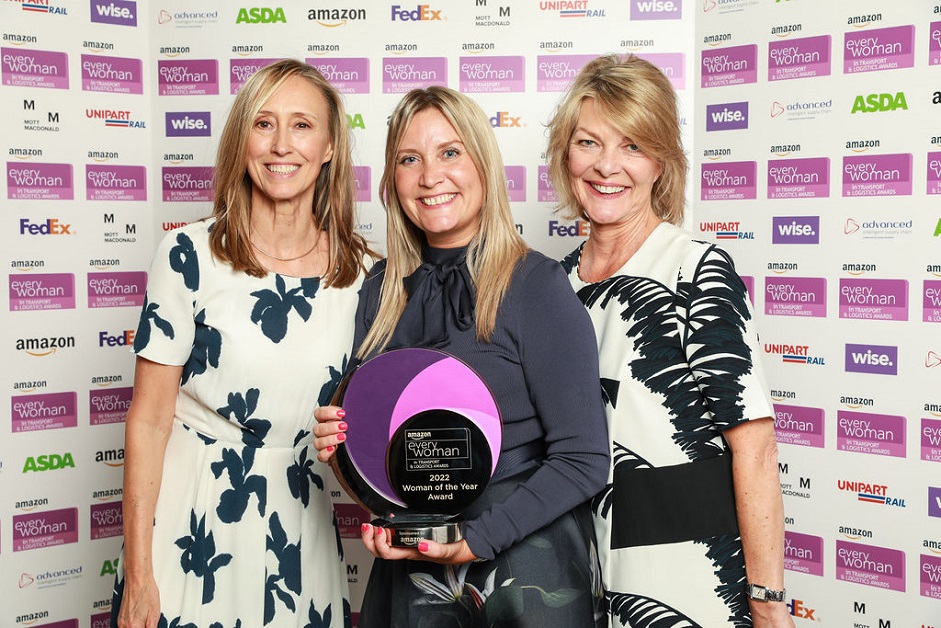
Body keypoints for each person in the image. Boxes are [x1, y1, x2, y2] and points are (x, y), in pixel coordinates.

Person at [313, 86, 610, 627]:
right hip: (415, 579)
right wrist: (349, 462)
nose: (430, 176)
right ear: (391, 179)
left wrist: (474, 540)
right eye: (410, 159)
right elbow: (390, 463)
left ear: (484, 166)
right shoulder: (380, 290)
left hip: (524, 578)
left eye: (450, 152)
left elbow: (583, 459)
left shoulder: (534, 285)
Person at [112, 59, 374, 628]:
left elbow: (377, 424)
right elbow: (149, 420)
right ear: (242, 140)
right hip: (192, 523)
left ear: (330, 146)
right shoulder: (188, 256)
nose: (282, 144)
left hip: (299, 525)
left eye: (302, 125)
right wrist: (137, 575)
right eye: (263, 123)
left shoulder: (364, 276)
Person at [545, 54, 795, 627]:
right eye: (589, 143)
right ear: (566, 154)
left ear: (662, 161)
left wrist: (767, 603)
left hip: (684, 580)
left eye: (633, 145)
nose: (607, 166)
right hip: (571, 576)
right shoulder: (551, 287)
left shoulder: (696, 272)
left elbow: (754, 449)